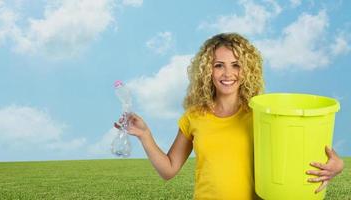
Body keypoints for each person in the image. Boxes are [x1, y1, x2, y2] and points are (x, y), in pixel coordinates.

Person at [114, 33, 344, 200]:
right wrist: (145, 135)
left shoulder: (263, 115)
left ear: (247, 70)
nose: (228, 73)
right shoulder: (194, 117)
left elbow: (302, 154)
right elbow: (168, 169)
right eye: (218, 65)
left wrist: (337, 165)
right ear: (207, 71)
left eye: (236, 65)